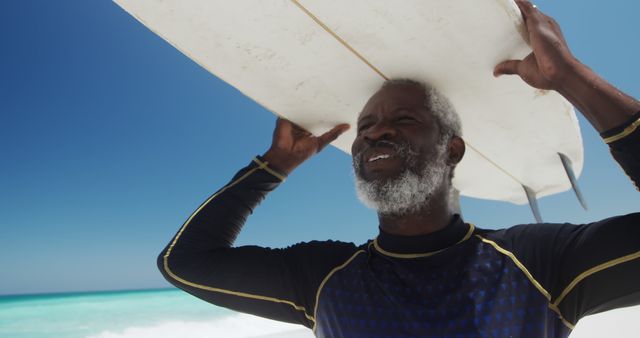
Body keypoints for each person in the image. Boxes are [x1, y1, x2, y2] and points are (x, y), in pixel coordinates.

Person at [158, 1, 640, 337]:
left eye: (403, 120)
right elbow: (185, 263)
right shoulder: (322, 278)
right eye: (364, 127)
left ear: (452, 151)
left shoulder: (539, 263)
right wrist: (271, 167)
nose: (374, 133)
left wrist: (570, 78)